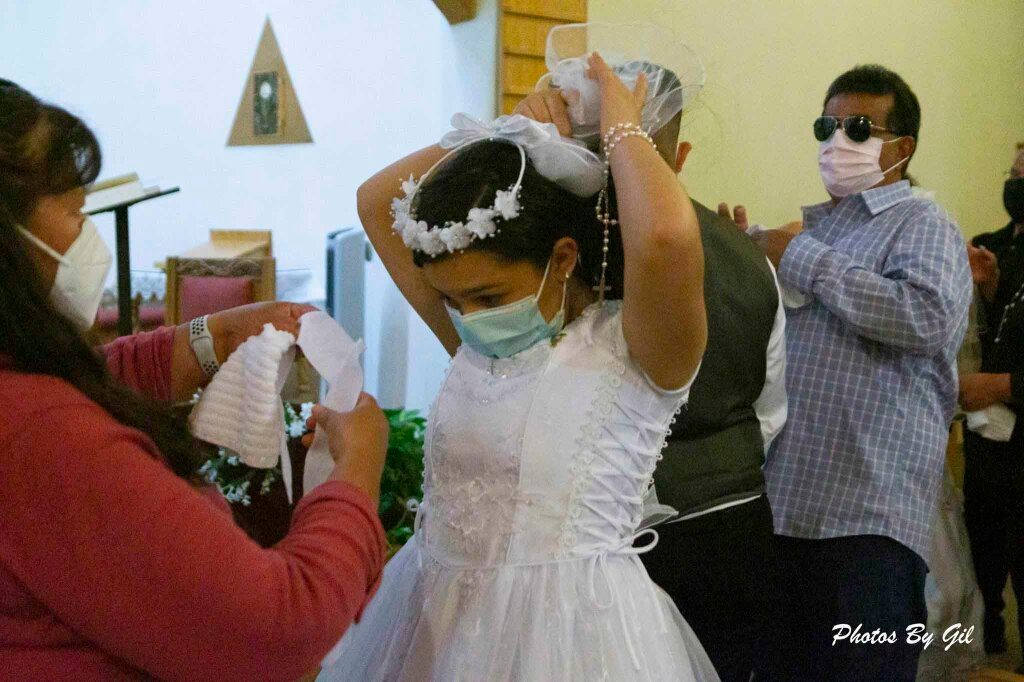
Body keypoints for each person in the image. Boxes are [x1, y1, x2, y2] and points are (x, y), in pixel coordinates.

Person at [317, 53, 718, 681]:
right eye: (453, 301)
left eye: (487, 298)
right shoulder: (481, 345)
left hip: (575, 641)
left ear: (562, 259)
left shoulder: (639, 351)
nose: (467, 317)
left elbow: (665, 238)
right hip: (433, 624)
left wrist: (618, 127)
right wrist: (504, 132)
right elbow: (376, 201)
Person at [0, 80, 389, 681]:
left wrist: (213, 338)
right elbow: (277, 630)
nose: (86, 235)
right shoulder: (41, 435)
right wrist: (355, 472)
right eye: (77, 212)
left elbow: (93, 376)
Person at [515, 62, 786, 682]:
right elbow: (769, 410)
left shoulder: (573, 256)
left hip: (625, 545)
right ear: (680, 153)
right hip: (738, 522)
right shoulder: (749, 255)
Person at [736, 65, 973, 680]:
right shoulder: (811, 231)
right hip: (787, 509)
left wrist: (800, 257)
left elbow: (925, 318)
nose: (838, 141)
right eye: (828, 126)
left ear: (902, 148)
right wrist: (740, 262)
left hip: (871, 524)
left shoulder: (924, 223)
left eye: (859, 128)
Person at [960, 147, 1024, 670]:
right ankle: (992, 638)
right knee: (982, 548)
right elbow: (1000, 331)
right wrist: (990, 288)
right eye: (1013, 174)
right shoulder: (997, 246)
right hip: (988, 439)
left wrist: (1001, 384)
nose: (1015, 184)